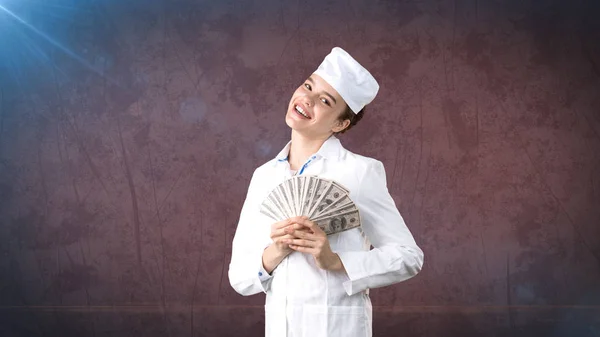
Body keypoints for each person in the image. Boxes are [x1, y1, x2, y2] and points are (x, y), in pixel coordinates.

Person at [228, 47, 424, 337]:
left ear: (340, 123)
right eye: (308, 85)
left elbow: (409, 257)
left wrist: (335, 260)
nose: (306, 99)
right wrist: (277, 250)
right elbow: (240, 278)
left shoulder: (360, 172)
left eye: (324, 100)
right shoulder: (264, 176)